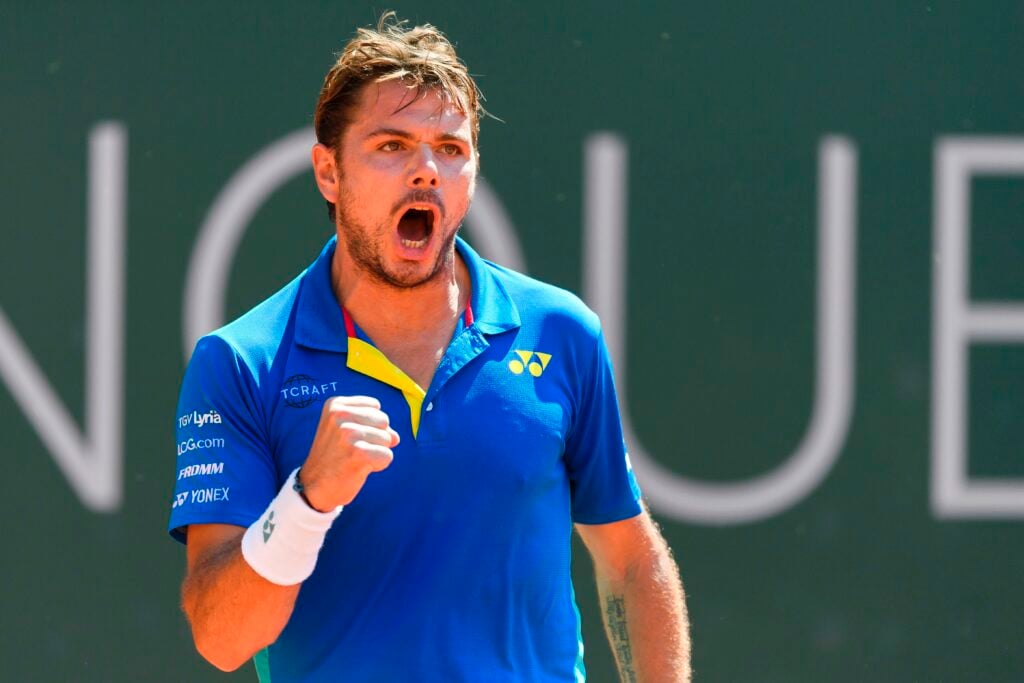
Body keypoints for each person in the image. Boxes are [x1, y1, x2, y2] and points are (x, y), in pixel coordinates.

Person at [169, 13, 690, 682]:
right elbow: (220, 638)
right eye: (391, 145)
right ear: (329, 173)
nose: (425, 172)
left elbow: (630, 558)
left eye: (450, 148)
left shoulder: (563, 332)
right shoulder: (241, 362)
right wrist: (308, 501)